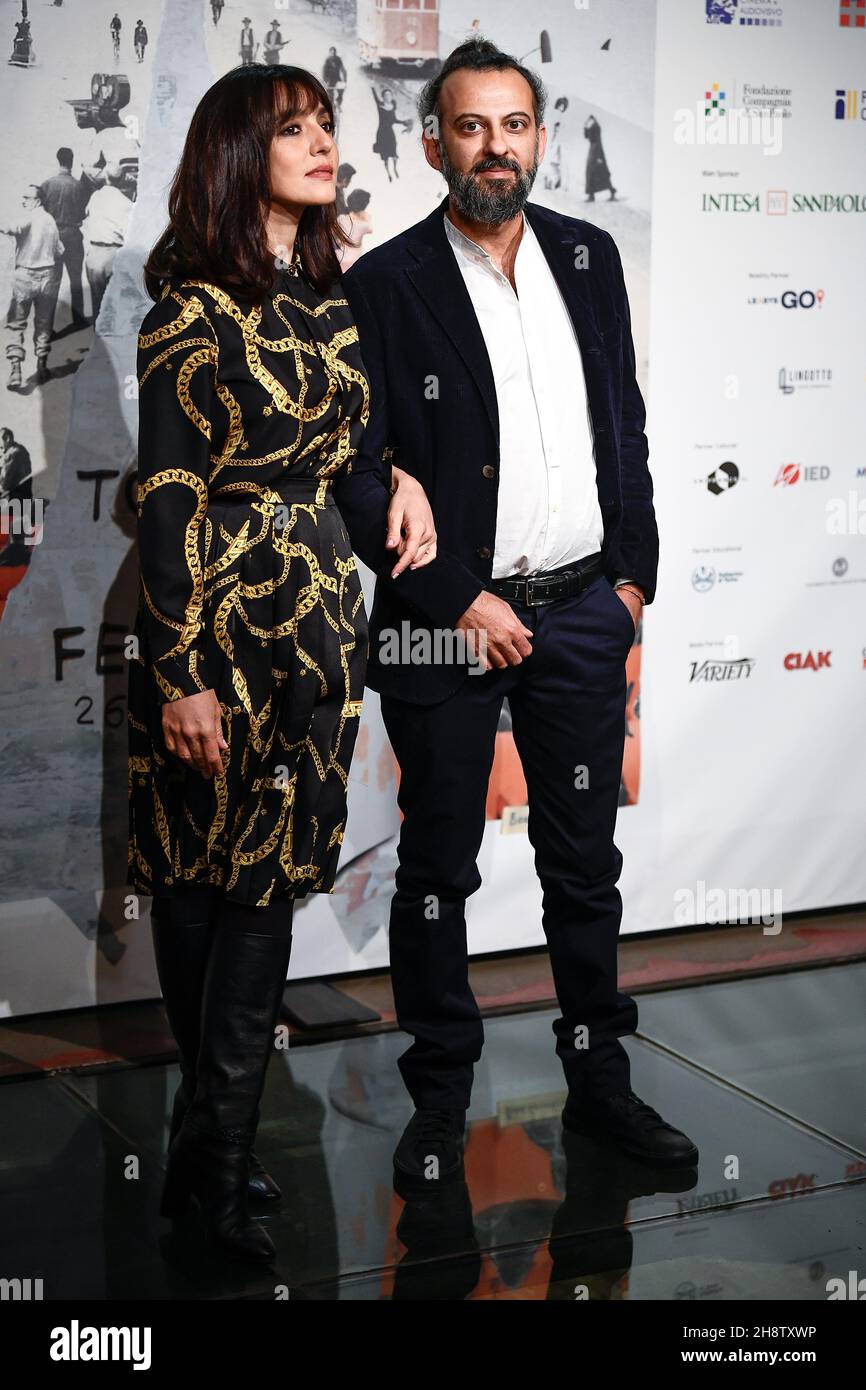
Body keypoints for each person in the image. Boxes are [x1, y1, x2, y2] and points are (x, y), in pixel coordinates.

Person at [339, 38, 698, 1191]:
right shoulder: (385, 282)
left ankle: (598, 1088)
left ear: (539, 134)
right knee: (436, 871)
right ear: (434, 140)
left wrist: (629, 579)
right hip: (444, 625)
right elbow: (356, 473)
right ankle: (439, 1106)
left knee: (581, 866)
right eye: (471, 126)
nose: (496, 146)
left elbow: (622, 427)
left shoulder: (587, 258)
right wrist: (461, 600)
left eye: (515, 123)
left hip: (584, 611)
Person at [129, 64, 437, 1263]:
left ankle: (212, 1155)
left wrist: (401, 472)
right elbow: (164, 498)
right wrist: (178, 671)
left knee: (266, 886)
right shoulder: (186, 308)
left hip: (315, 624)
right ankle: (208, 1165)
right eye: (292, 130)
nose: (320, 145)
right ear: (234, 152)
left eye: (325, 127)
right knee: (205, 884)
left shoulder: (330, 300)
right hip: (214, 619)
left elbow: (356, 444)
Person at [0, 185, 64, 389]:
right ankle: (42, 366)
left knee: (16, 324)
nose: (23, 201)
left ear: (37, 200)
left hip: (25, 276)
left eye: (27, 197)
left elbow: (12, 227)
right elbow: (60, 250)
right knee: (44, 323)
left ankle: (16, 370)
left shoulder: (30, 216)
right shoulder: (50, 221)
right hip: (48, 277)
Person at [38, 148, 90, 329]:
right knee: (76, 279)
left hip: (53, 237)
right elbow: (83, 214)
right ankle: (78, 322)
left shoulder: (46, 185)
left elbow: (41, 213)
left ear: (58, 159)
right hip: (74, 236)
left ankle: (47, 325)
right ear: (72, 161)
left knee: (52, 281)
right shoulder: (79, 186)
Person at [81, 164, 132, 321]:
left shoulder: (95, 197)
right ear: (122, 179)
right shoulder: (127, 203)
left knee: (98, 302)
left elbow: (87, 215)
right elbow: (129, 234)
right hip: (115, 255)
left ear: (106, 178)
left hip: (95, 254)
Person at [371, 85, 412, 182]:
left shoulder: (393, 106)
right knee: (385, 155)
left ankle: (394, 168)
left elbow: (394, 120)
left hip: (390, 132)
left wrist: (403, 123)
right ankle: (388, 173)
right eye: (386, 95)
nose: (388, 97)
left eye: (390, 95)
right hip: (381, 132)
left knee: (394, 152)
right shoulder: (380, 105)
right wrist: (372, 87)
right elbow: (375, 98)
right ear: (383, 97)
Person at [337, 188, 372, 271]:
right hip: (356, 258)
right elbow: (370, 229)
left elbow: (338, 241)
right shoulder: (366, 220)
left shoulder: (342, 219)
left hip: (341, 257)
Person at [584, 114, 617, 203]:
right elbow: (587, 137)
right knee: (595, 174)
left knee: (599, 174)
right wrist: (585, 126)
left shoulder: (596, 127)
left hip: (596, 152)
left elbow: (597, 141)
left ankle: (593, 196)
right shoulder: (593, 126)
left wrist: (599, 157)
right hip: (593, 150)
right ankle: (593, 195)